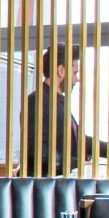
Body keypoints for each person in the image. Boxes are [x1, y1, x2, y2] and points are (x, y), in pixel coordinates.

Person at [26, 44, 98, 174]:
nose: (77, 79)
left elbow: (80, 141)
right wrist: (80, 165)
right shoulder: (37, 101)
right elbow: (40, 152)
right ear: (61, 70)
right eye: (75, 73)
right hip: (49, 188)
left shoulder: (59, 102)